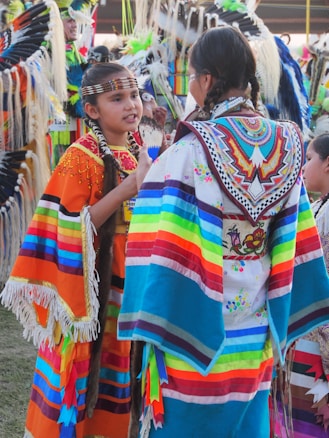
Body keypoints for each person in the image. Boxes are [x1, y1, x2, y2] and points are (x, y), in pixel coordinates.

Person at [117, 26, 329, 437]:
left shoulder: (190, 150)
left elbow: (159, 236)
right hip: (255, 331)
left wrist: (145, 185)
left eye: (193, 76)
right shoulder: (287, 142)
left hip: (194, 329)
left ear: (208, 80)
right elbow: (294, 232)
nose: (192, 85)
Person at [1, 62, 152, 437]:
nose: (131, 104)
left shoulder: (138, 154)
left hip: (128, 287)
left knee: (121, 381)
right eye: (117, 98)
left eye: (133, 95)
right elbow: (67, 226)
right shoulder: (79, 158)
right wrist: (130, 187)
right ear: (92, 110)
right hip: (88, 295)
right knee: (82, 384)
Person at [273, 133, 329, 437]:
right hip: (308, 339)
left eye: (309, 159)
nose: (303, 168)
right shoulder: (319, 208)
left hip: (317, 345)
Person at [49, 6, 88, 169]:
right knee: (58, 166)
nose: (74, 25)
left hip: (77, 122)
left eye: (75, 21)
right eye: (70, 21)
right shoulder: (47, 51)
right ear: (57, 24)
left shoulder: (75, 52)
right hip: (56, 125)